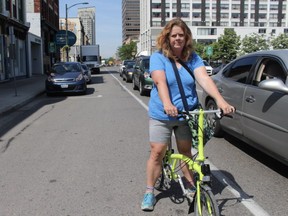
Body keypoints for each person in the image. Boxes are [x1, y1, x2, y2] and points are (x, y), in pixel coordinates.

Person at [141, 18, 235, 211]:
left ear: (186, 37)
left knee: (186, 152)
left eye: (181, 35)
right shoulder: (158, 57)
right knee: (157, 153)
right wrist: (167, 103)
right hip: (163, 114)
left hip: (186, 114)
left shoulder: (193, 57)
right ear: (167, 37)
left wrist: (220, 100)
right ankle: (149, 191)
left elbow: (204, 79)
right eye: (173, 35)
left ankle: (191, 185)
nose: (177, 39)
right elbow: (160, 82)